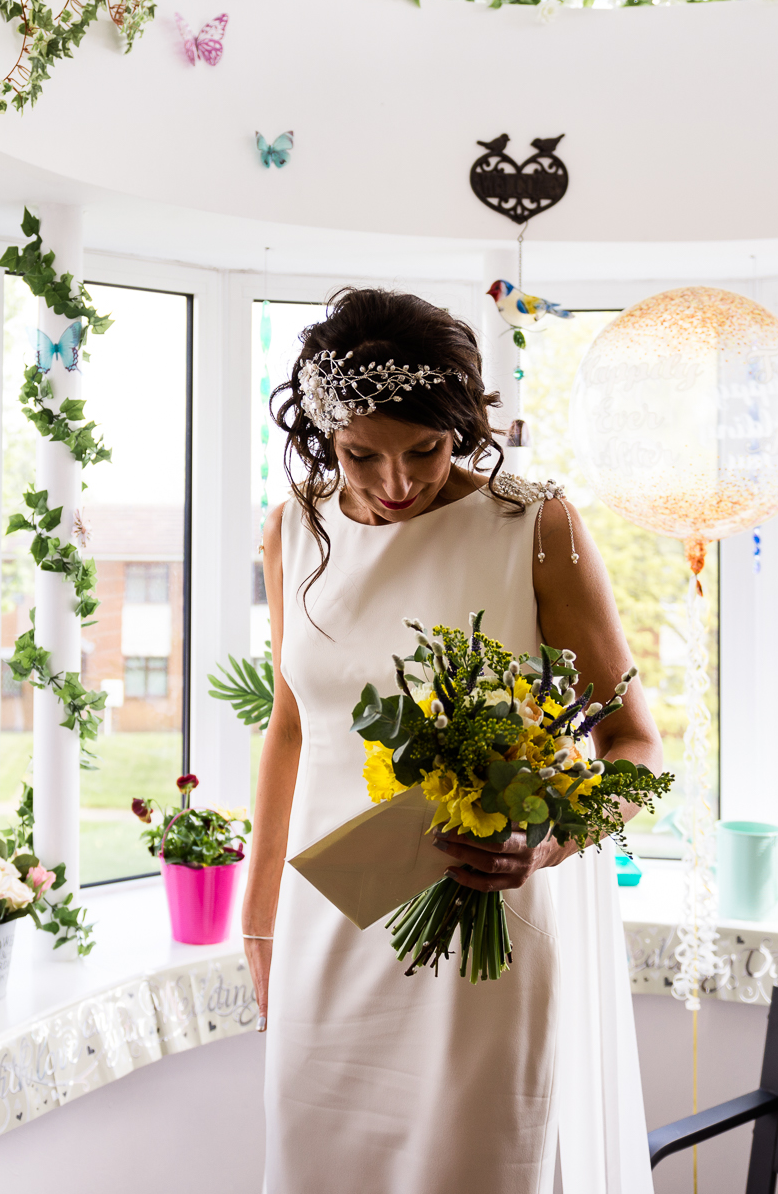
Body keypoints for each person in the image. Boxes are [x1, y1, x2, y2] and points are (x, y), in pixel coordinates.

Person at [246, 288, 662, 1194]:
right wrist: (258, 910)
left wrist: (547, 838)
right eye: (362, 455)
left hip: (483, 930)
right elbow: (290, 728)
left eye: (425, 451)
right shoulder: (292, 529)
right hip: (328, 919)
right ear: (323, 432)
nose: (395, 483)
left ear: (464, 427)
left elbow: (634, 743)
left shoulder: (533, 526)